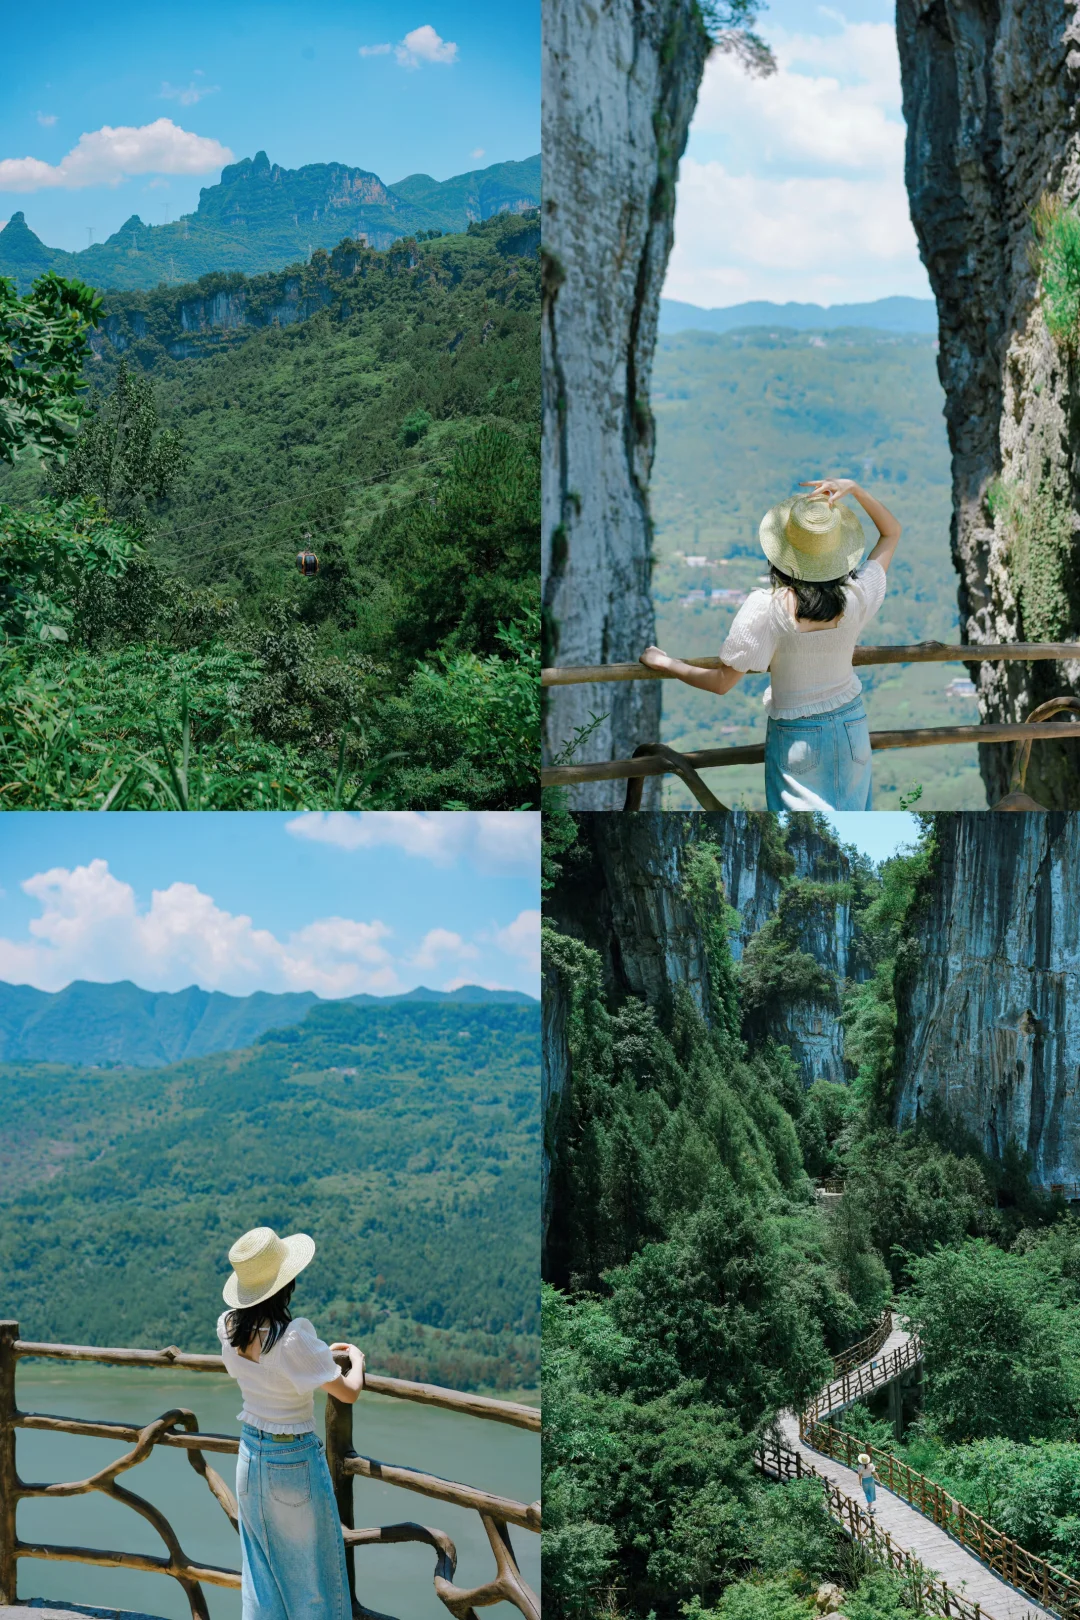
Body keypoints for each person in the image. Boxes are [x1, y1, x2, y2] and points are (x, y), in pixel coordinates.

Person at [639, 478, 902, 810]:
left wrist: (664, 662)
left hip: (798, 736)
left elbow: (721, 683)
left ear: (781, 553)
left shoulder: (768, 607)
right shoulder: (856, 596)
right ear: (838, 554)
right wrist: (856, 490)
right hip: (852, 725)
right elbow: (891, 532)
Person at [217, 1225, 366, 1620]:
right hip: (293, 1461)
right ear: (287, 1283)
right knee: (313, 1581)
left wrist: (317, 1356)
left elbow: (268, 1366)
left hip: (250, 1454)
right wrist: (357, 1358)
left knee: (261, 1574)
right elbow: (347, 1391)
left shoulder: (230, 1327)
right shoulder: (293, 1338)